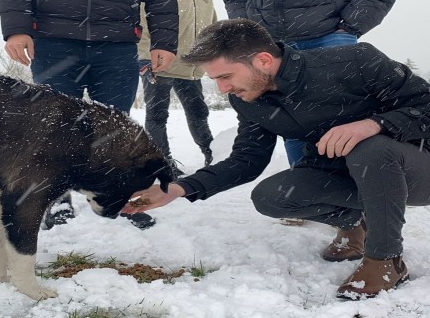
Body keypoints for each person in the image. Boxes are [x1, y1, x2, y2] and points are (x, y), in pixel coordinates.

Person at [123, 19, 430, 299]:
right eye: (216, 80)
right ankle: (353, 223)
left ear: (264, 60)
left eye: (226, 76)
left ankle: (385, 260)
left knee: (371, 148)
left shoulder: (356, 61)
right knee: (272, 197)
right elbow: (246, 160)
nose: (223, 88)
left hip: (414, 168)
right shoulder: (249, 99)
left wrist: (374, 124)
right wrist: (177, 189)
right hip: (346, 173)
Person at [0, 0, 179, 230]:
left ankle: (122, 197)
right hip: (53, 41)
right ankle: (57, 198)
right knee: (54, 127)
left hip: (117, 43)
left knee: (117, 128)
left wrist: (165, 41)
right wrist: (16, 29)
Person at [221, 0, 402, 165]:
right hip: (274, 44)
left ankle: (361, 183)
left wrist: (350, 25)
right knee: (292, 119)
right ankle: (306, 181)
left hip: (331, 35)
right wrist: (254, 30)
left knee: (347, 117)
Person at [137, 0, 217, 178]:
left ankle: (213, 155)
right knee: (157, 116)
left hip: (190, 66)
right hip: (161, 64)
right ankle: (163, 164)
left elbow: (213, 27)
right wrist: (145, 57)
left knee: (198, 112)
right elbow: (144, 23)